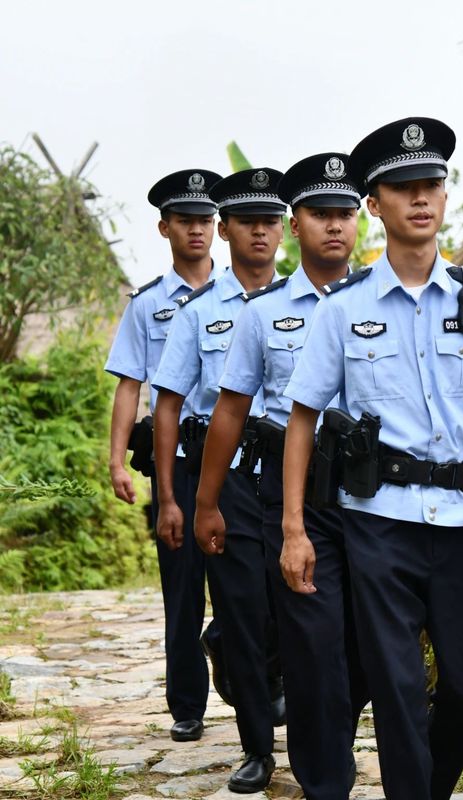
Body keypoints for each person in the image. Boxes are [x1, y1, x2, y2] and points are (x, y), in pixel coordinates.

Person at [280, 117, 463, 800]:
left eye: (431, 185)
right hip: (377, 524)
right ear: (374, 205)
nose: (420, 198)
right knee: (398, 693)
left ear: (444, 197)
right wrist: (295, 529)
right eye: (402, 187)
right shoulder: (344, 308)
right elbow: (302, 417)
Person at [194, 153, 368, 800]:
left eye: (344, 214)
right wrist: (208, 501)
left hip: (370, 495)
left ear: (359, 222)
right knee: (308, 640)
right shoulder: (262, 314)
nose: (334, 227)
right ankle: (319, 773)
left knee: (364, 646)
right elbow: (230, 412)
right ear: (297, 225)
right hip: (286, 492)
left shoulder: (385, 300)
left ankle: (330, 733)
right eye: (320, 214)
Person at [151, 168, 287, 793]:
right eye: (247, 221)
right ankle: (258, 748)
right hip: (226, 478)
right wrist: (173, 496)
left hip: (295, 478)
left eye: (271, 220)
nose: (261, 231)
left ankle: (304, 718)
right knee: (241, 606)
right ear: (226, 228)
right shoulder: (197, 314)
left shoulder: (311, 305)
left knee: (296, 611)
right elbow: (170, 404)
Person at [104, 169, 224, 742]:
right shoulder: (148, 305)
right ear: (165, 227)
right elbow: (130, 383)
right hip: (175, 460)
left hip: (238, 460)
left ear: (216, 227)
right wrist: (114, 460)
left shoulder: (246, 296)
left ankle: (236, 657)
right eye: (186, 221)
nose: (197, 230)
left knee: (244, 578)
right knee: (181, 585)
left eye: (205, 220)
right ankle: (187, 707)